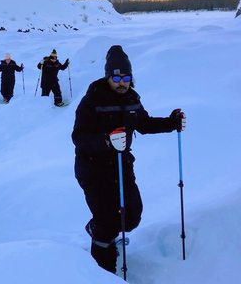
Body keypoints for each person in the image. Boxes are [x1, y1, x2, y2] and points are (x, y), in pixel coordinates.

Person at [71, 45, 186, 274]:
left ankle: (102, 232)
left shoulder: (132, 98)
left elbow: (143, 124)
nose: (121, 82)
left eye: (126, 77)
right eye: (116, 77)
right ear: (107, 77)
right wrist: (106, 141)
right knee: (107, 222)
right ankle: (103, 272)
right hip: (93, 169)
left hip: (122, 167)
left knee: (131, 217)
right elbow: (79, 137)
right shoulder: (92, 100)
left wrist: (170, 123)